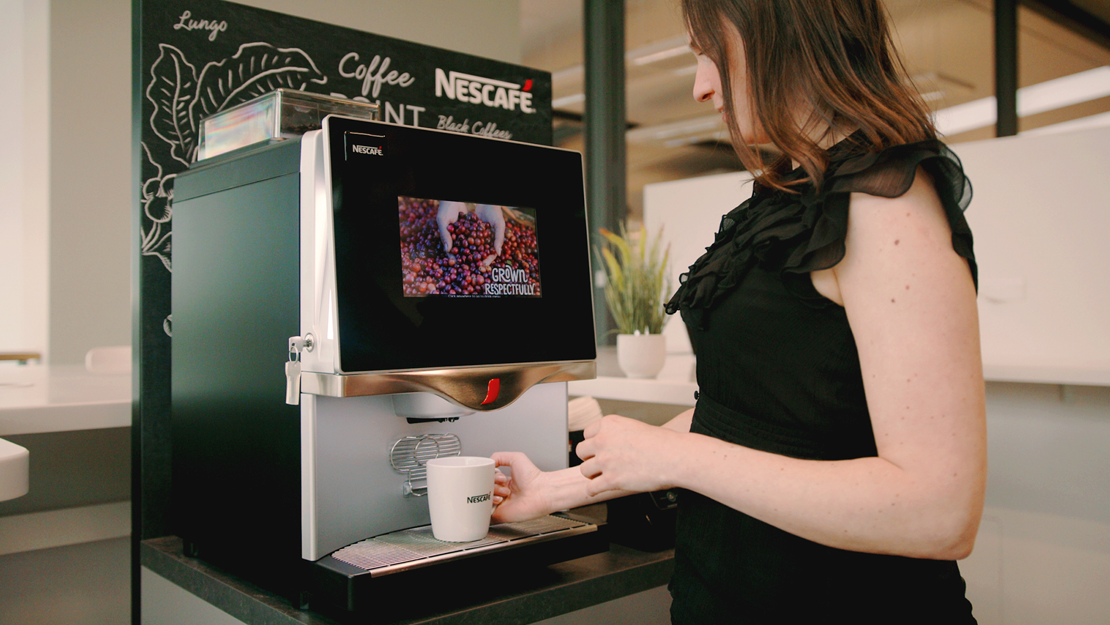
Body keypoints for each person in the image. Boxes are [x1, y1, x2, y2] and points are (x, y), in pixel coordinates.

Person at [491, 0, 986, 623]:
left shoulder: (888, 206)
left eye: (710, 54)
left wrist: (675, 458)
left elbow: (939, 512)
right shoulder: (790, 197)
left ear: (781, 33)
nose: (701, 87)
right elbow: (745, 415)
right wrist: (551, 490)